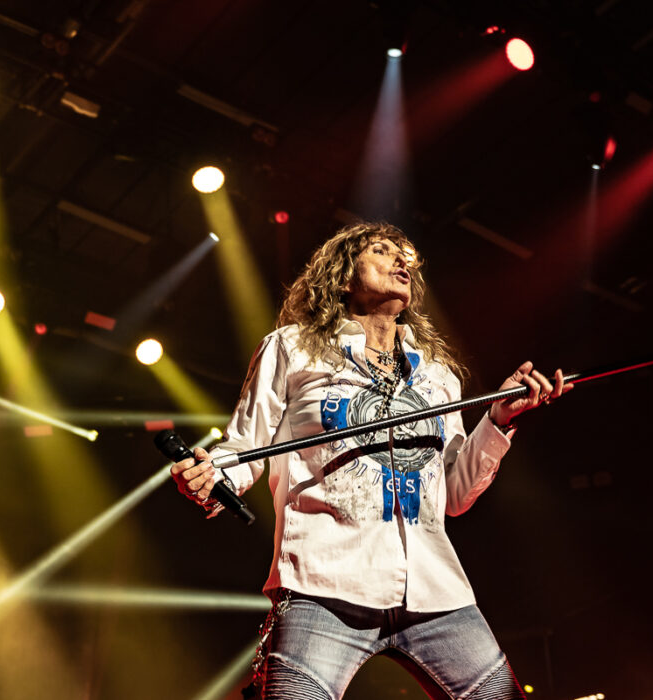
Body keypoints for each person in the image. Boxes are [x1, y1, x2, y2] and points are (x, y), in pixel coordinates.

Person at [171, 222, 570, 699]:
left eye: (407, 256)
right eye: (382, 250)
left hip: (436, 593)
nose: (402, 261)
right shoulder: (292, 348)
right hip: (322, 588)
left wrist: (499, 419)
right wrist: (212, 477)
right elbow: (243, 446)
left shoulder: (438, 376)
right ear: (342, 276)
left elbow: (455, 496)